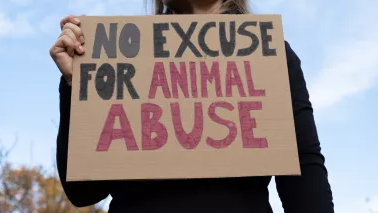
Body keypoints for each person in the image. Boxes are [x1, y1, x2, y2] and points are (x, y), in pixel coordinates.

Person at [50, 0, 335, 212]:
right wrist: (76, 83)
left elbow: (305, 180)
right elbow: (82, 190)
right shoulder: (115, 55)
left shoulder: (270, 54)